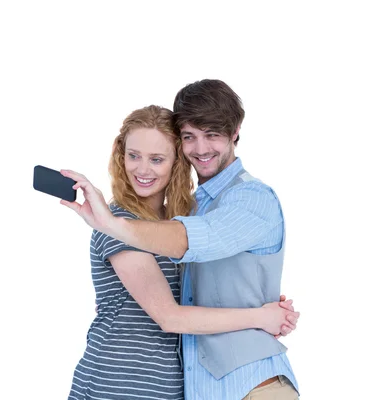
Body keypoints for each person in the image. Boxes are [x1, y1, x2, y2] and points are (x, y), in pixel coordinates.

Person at [62, 80, 300, 399]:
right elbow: (169, 316)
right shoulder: (121, 222)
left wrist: (259, 298)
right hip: (118, 384)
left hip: (174, 389)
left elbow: (204, 260)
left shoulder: (202, 211)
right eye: (134, 156)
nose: (142, 169)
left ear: (175, 162)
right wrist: (262, 316)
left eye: (157, 159)